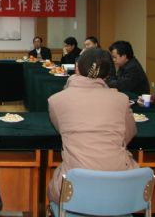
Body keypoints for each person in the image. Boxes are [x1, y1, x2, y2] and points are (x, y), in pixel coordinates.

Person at [48, 48, 139, 205]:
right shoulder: (121, 99)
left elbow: (62, 130)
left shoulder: (56, 100)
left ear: (77, 67)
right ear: (108, 74)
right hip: (120, 187)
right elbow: (128, 134)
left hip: (75, 187)